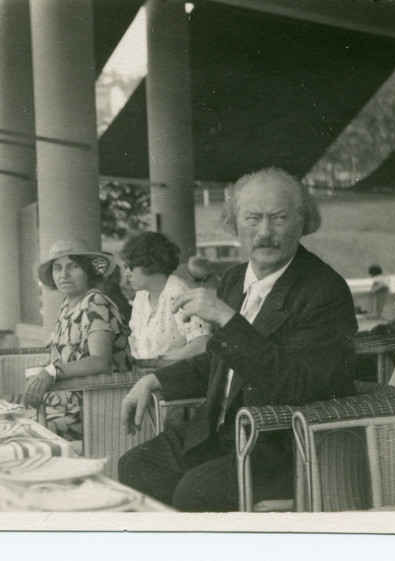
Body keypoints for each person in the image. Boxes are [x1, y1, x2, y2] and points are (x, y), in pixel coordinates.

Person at [117, 167, 357, 512]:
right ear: (234, 225)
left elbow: (303, 384)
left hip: (281, 444)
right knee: (135, 467)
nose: (265, 232)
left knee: (194, 493)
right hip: (219, 433)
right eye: (253, 218)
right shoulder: (233, 279)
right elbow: (221, 362)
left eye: (278, 218)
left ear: (302, 223)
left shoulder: (323, 289)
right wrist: (153, 379)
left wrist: (227, 319)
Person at [20, 238, 132, 442]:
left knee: (22, 431)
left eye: (74, 266)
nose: (64, 274)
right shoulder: (68, 304)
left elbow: (101, 361)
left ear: (89, 271)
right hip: (68, 401)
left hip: (98, 405)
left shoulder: (95, 302)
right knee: (8, 418)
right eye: (57, 268)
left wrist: (51, 372)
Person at [120, 232, 211, 362]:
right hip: (145, 375)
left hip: (176, 376)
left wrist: (160, 362)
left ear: (151, 264)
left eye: (130, 267)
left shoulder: (180, 293)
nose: (126, 273)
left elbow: (202, 344)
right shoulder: (141, 296)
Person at [97, 251, 133, 322]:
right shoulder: (111, 289)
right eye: (117, 274)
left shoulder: (110, 288)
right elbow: (126, 311)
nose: (120, 276)